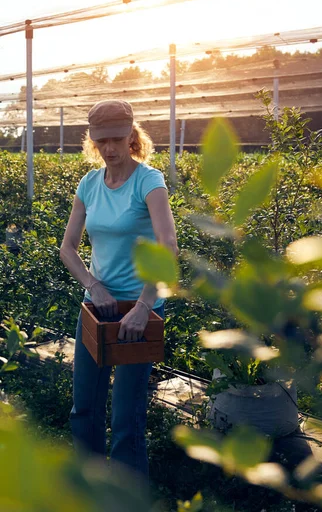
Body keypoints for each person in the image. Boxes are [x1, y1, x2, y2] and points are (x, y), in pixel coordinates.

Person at [60, 99, 178, 481]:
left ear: (132, 135)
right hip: (96, 307)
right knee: (84, 407)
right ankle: (90, 487)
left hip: (138, 310)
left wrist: (144, 306)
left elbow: (169, 245)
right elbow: (68, 248)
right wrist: (93, 286)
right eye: (101, 141)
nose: (109, 149)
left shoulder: (148, 180)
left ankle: (126, 497)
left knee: (127, 416)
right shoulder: (89, 184)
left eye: (116, 139)